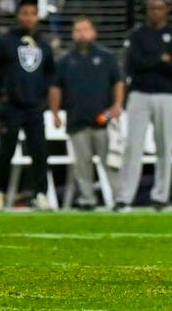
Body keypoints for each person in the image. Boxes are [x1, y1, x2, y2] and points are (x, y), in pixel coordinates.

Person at [0, 0, 56, 211]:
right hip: (11, 106)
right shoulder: (4, 42)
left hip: (34, 107)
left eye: (32, 14)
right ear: (18, 15)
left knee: (39, 152)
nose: (28, 18)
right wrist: (0, 93)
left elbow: (51, 74)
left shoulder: (44, 44)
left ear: (38, 16)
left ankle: (40, 194)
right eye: (25, 13)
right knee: (5, 151)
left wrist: (44, 99)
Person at [115, 0, 172, 212]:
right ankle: (124, 197)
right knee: (132, 146)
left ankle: (161, 196)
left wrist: (151, 60)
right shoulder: (136, 34)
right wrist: (160, 59)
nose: (156, 12)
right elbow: (132, 64)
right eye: (152, 8)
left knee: (165, 145)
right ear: (146, 10)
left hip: (166, 95)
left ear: (166, 10)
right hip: (139, 94)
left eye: (160, 8)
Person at [48, 16, 123, 210]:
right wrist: (55, 113)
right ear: (73, 34)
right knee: (82, 164)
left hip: (103, 118)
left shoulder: (106, 57)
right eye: (77, 30)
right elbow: (55, 88)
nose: (82, 34)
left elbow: (118, 81)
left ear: (93, 32)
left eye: (85, 30)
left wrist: (117, 106)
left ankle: (119, 197)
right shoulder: (65, 61)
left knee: (111, 161)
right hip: (77, 120)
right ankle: (87, 199)